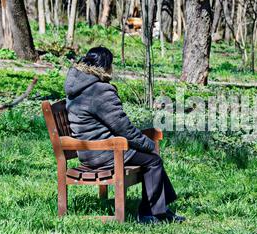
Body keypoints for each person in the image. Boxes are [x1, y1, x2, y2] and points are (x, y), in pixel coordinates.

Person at [64, 46, 185, 224]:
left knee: (151, 159)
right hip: (104, 152)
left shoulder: (78, 85)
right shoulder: (100, 90)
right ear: (105, 66)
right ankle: (148, 214)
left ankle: (161, 209)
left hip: (88, 152)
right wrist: (147, 143)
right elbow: (123, 127)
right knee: (153, 160)